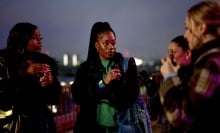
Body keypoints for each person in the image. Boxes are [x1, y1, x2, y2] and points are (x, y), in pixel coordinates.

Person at [71, 21, 152, 133]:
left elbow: (131, 95)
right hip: (93, 127)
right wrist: (104, 82)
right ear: (96, 45)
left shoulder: (126, 65)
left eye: (113, 43)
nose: (111, 47)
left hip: (121, 127)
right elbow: (78, 96)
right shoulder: (86, 69)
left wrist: (108, 90)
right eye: (106, 43)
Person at [159, 1, 220, 132]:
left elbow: (180, 116)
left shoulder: (211, 63)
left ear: (201, 28)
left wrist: (170, 77)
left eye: (187, 28)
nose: (185, 35)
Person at [5, 22, 62, 133]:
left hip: (41, 123)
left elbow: (54, 98)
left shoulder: (46, 62)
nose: (39, 41)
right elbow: (7, 95)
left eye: (40, 38)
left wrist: (51, 82)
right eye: (35, 38)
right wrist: (25, 72)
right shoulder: (6, 62)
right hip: (14, 123)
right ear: (22, 39)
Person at [161, 35, 191, 133]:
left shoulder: (192, 78)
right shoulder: (175, 75)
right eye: (169, 53)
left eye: (173, 53)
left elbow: (178, 114)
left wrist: (169, 78)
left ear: (187, 53)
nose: (169, 58)